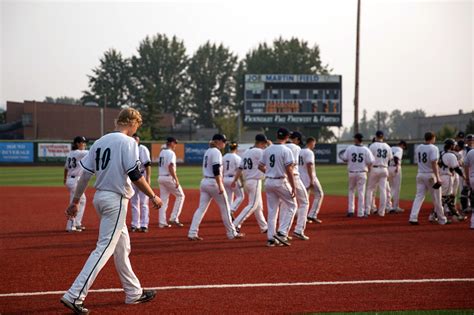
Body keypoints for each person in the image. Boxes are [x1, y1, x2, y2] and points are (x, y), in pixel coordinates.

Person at [60, 108, 163, 314]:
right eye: (137, 125)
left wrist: (76, 200)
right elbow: (135, 173)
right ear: (132, 122)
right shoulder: (128, 142)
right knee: (104, 248)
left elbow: (85, 175)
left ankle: (133, 292)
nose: (136, 129)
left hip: (100, 198)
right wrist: (152, 195)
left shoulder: (99, 141)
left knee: (122, 247)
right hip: (115, 199)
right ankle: (74, 295)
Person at [187, 134, 244, 241]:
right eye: (223, 141)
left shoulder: (208, 151)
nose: (224, 143)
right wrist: (220, 185)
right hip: (214, 182)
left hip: (205, 182)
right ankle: (232, 234)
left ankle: (192, 232)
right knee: (225, 208)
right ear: (217, 141)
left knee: (201, 209)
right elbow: (216, 169)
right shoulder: (216, 152)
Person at [258, 127, 296, 247]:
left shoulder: (268, 149)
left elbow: (260, 166)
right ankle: (282, 232)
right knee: (292, 205)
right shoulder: (286, 150)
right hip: (280, 181)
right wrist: (294, 186)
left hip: (269, 181)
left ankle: (270, 238)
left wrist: (269, 172)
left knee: (272, 210)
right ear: (286, 137)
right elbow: (289, 170)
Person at [408, 131, 449, 225]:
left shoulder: (419, 147)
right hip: (430, 175)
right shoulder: (433, 148)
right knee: (437, 198)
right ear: (432, 138)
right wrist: (438, 177)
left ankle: (413, 218)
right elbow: (434, 163)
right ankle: (442, 219)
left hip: (420, 174)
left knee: (419, 197)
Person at [231, 134, 269, 233]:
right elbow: (269, 160)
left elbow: (240, 168)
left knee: (258, 207)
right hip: (255, 181)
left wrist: (235, 180)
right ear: (260, 143)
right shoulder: (260, 151)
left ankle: (264, 227)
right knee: (252, 205)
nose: (265, 145)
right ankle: (235, 225)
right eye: (264, 143)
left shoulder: (247, 151)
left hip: (248, 181)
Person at [341, 133, 374, 217]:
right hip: (362, 173)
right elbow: (371, 161)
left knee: (351, 191)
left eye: (355, 138)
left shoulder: (350, 148)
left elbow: (344, 159)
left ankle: (351, 211)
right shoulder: (366, 150)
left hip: (352, 173)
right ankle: (360, 213)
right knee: (361, 193)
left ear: (356, 139)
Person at [285, 131, 310, 240]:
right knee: (304, 202)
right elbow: (292, 165)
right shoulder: (296, 148)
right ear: (297, 140)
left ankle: (283, 232)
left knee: (285, 205)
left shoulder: (282, 146)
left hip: (282, 178)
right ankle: (299, 230)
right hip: (293, 176)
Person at [158, 137, 185, 228]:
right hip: (168, 178)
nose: (176, 144)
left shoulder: (162, 152)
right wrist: (176, 179)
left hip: (161, 177)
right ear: (171, 143)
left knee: (164, 200)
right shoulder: (171, 153)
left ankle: (162, 222)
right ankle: (174, 218)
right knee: (180, 195)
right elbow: (170, 167)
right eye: (175, 142)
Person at [63, 136, 89, 232]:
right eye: (83, 142)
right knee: (75, 202)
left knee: (81, 200)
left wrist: (65, 179)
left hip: (71, 179)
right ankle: (71, 225)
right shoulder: (79, 153)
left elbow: (66, 168)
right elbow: (93, 152)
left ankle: (77, 223)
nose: (84, 144)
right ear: (77, 143)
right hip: (75, 181)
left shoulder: (70, 153)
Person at [365, 130, 393, 216]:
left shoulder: (372, 146)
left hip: (374, 168)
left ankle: (368, 210)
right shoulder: (388, 146)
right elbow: (390, 158)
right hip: (384, 169)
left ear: (376, 136)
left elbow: (368, 159)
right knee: (383, 190)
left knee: (370, 190)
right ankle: (382, 212)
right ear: (383, 137)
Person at [438, 138, 465, 221]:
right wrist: (463, 176)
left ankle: (455, 215)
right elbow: (456, 168)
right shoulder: (451, 155)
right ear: (451, 145)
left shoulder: (441, 153)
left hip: (441, 175)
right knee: (445, 198)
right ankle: (435, 215)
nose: (455, 146)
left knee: (444, 197)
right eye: (453, 144)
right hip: (447, 177)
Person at [299, 136, 324, 224]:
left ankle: (303, 217)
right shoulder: (309, 152)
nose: (314, 145)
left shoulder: (299, 151)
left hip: (300, 177)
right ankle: (312, 215)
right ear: (311, 142)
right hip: (309, 177)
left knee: (304, 199)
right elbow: (309, 165)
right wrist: (312, 179)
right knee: (319, 194)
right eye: (314, 143)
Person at [130, 134, 152, 232]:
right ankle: (135, 224)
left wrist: (148, 178)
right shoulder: (128, 149)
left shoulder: (142, 149)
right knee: (134, 202)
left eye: (137, 139)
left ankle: (144, 224)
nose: (135, 141)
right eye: (133, 139)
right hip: (131, 177)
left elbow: (147, 164)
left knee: (144, 202)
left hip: (142, 176)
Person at [222, 142, 244, 219]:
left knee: (229, 197)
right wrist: (242, 181)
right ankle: (231, 210)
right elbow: (239, 170)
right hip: (233, 179)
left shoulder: (224, 157)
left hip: (225, 178)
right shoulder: (237, 158)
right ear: (236, 148)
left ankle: (228, 214)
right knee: (240, 196)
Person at [386, 140, 407, 213]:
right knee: (396, 188)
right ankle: (395, 206)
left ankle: (388, 205)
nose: (404, 148)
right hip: (395, 168)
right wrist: (397, 166)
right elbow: (396, 157)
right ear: (402, 145)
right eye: (404, 147)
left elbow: (388, 158)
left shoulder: (391, 148)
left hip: (388, 168)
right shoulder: (400, 149)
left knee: (390, 187)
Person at [462, 135, 474, 229]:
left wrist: (467, 178)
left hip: (472, 178)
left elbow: (465, 165)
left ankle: (473, 223)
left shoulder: (470, 152)